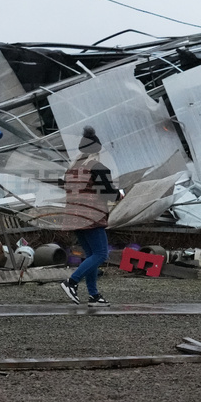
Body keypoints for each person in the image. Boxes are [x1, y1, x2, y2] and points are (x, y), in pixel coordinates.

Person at [60, 126, 121, 307]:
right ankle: (71, 282)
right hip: (91, 216)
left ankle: (94, 295)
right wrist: (120, 194)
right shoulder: (97, 167)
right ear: (97, 150)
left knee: (91, 255)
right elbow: (109, 194)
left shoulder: (72, 169)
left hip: (73, 216)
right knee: (101, 254)